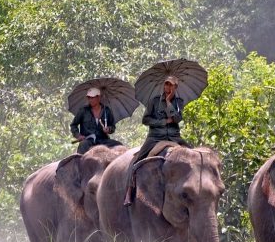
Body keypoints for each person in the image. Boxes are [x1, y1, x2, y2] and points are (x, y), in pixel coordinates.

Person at [123, 75, 191, 206]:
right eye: (166, 84)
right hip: (155, 137)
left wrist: (169, 102)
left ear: (175, 87)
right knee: (136, 162)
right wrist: (163, 122)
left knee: (194, 157)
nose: (168, 87)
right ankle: (129, 191)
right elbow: (145, 120)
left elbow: (177, 119)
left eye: (171, 85)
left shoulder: (179, 102)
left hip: (174, 136)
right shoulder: (153, 101)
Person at [70, 87, 123, 154]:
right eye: (89, 98)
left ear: (98, 97)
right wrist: (78, 135)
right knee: (83, 145)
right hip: (88, 140)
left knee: (119, 145)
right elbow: (73, 125)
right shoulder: (83, 110)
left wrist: (108, 129)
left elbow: (112, 126)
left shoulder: (106, 110)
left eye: (92, 97)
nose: (90, 100)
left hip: (103, 140)